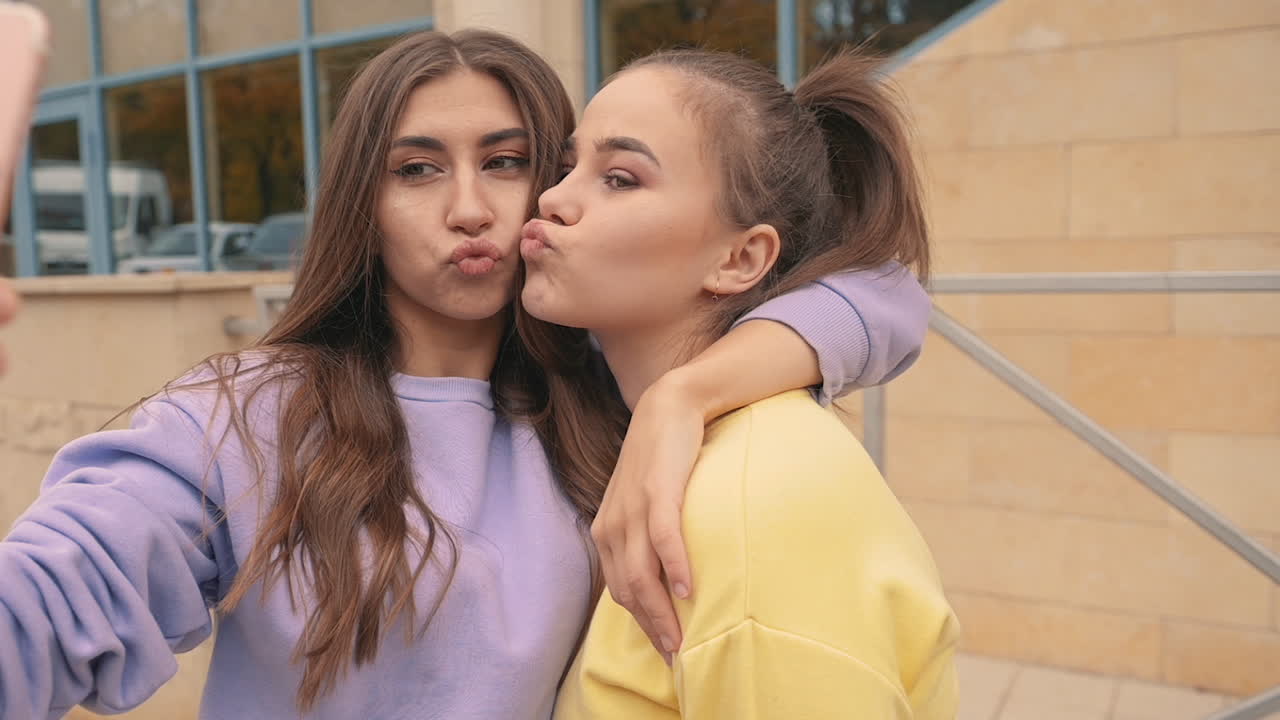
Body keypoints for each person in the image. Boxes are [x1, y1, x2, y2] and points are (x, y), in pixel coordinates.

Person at [0, 31, 929, 720]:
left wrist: (688, 394)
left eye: (509, 161)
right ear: (361, 204)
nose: (472, 209)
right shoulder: (247, 415)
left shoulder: (606, 387)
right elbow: (40, 607)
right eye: (416, 169)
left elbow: (886, 299)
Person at [524, 47, 958, 718]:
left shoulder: (750, 509)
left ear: (741, 258)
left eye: (618, 178)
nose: (552, 198)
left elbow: (895, 298)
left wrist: (683, 393)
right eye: (565, 167)